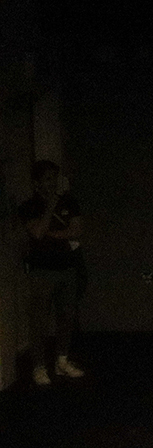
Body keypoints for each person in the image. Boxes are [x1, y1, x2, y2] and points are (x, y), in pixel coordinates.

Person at [17, 160, 86, 385]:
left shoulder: (70, 202)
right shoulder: (29, 206)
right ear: (37, 183)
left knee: (66, 315)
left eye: (54, 178)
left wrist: (54, 235)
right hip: (42, 270)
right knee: (39, 320)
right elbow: (37, 232)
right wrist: (49, 207)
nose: (52, 183)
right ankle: (38, 366)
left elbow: (77, 230)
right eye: (47, 179)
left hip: (67, 267)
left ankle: (62, 361)